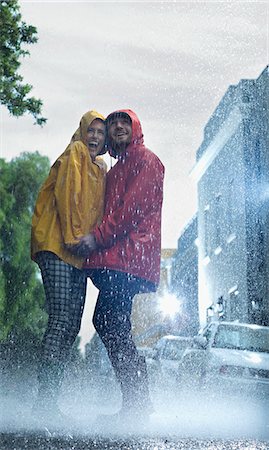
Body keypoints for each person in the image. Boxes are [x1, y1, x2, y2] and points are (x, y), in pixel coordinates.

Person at [74, 109, 165, 422]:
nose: (118, 127)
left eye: (124, 122)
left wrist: (94, 239)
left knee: (110, 322)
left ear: (135, 127)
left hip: (130, 257)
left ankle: (138, 402)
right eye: (112, 124)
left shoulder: (147, 160)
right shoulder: (115, 171)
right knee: (111, 323)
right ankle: (137, 400)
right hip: (119, 259)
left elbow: (131, 211)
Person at [30, 110, 107, 422]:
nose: (95, 137)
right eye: (92, 130)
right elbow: (66, 195)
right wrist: (76, 235)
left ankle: (50, 401)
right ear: (82, 130)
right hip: (58, 244)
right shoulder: (74, 151)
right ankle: (44, 402)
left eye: (101, 134)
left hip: (78, 255)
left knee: (71, 327)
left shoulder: (99, 167)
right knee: (61, 322)